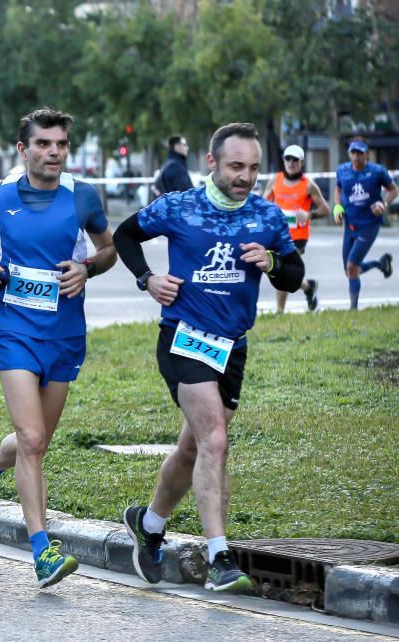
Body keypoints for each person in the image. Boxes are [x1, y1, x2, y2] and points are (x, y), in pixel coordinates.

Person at [112, 122, 304, 593]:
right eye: (237, 166)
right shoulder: (179, 207)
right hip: (184, 337)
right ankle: (221, 557)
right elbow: (124, 235)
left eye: (254, 168)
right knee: (215, 439)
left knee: (195, 446)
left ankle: (150, 524)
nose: (246, 177)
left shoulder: (267, 215)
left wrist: (273, 262)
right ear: (212, 163)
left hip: (232, 347)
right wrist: (148, 279)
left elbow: (294, 276)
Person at [0, 108, 117, 588]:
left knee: (36, 441)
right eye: (44, 144)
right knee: (32, 440)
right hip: (13, 329)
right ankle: (42, 550)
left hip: (65, 333)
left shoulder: (82, 196)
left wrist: (87, 267)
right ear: (23, 150)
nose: (54, 152)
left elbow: (108, 250)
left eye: (61, 144)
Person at [262, 144, 330, 312]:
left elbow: (326, 209)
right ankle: (307, 287)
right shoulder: (275, 180)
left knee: (282, 268)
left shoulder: (308, 185)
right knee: (281, 270)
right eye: (288, 159)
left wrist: (309, 215)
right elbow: (263, 205)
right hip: (278, 235)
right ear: (284, 160)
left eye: (295, 160)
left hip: (298, 236)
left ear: (302, 162)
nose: (291, 163)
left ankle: (280, 312)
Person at [333, 136, 397, 309]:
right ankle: (380, 264)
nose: (356, 156)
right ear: (349, 153)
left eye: (360, 153)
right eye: (353, 152)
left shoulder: (377, 171)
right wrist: (337, 207)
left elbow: (393, 190)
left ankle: (353, 309)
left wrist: (383, 204)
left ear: (367, 154)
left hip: (369, 225)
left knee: (352, 266)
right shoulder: (342, 171)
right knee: (350, 271)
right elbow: (338, 189)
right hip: (350, 225)